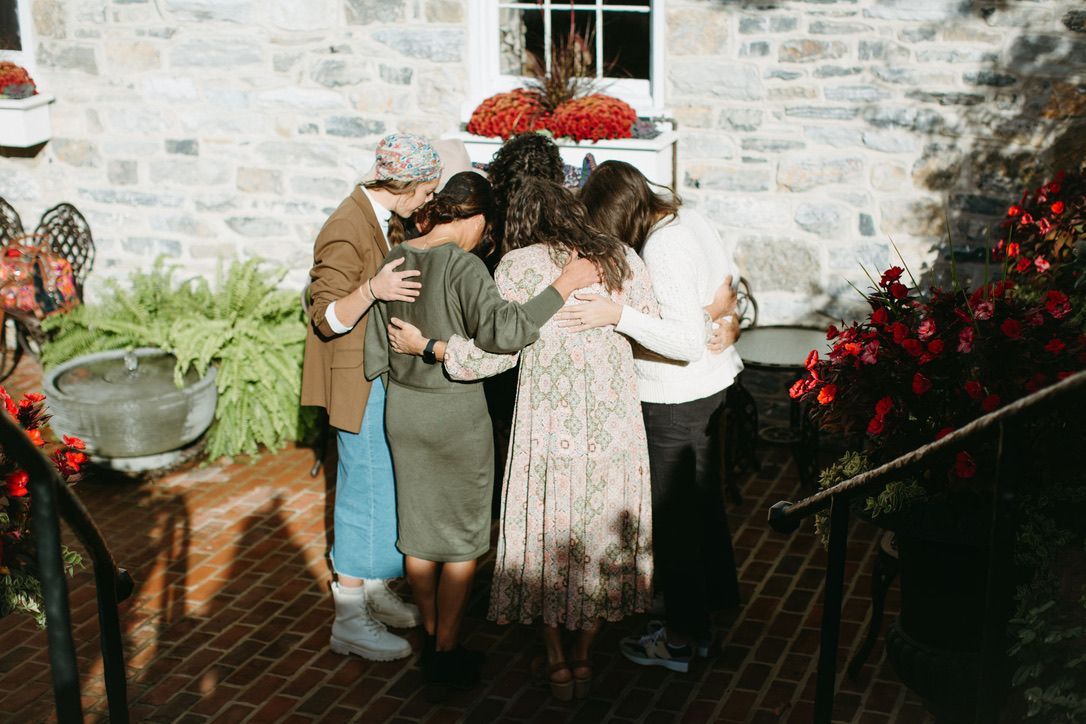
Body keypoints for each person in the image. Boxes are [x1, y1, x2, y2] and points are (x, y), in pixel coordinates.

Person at [386, 178, 657, 701]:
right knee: (602, 531)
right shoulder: (622, 256)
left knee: (547, 539)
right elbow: (649, 327)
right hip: (612, 424)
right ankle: (583, 658)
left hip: (548, 428)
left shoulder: (519, 264)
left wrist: (433, 347)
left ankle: (555, 662)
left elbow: (495, 352)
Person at [574, 160, 744, 673]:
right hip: (713, 387)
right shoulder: (687, 218)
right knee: (702, 511)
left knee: (674, 525)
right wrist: (718, 315)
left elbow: (686, 342)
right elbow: (721, 290)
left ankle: (680, 640)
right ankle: (709, 613)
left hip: (676, 398)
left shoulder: (664, 245)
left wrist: (616, 316)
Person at [300, 133, 442, 663]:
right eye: (426, 191)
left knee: (382, 486)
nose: (428, 200)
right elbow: (327, 317)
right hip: (356, 384)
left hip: (377, 374)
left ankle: (377, 587)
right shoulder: (344, 228)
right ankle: (349, 618)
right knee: (363, 493)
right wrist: (374, 291)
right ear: (405, 185)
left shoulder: (383, 216)